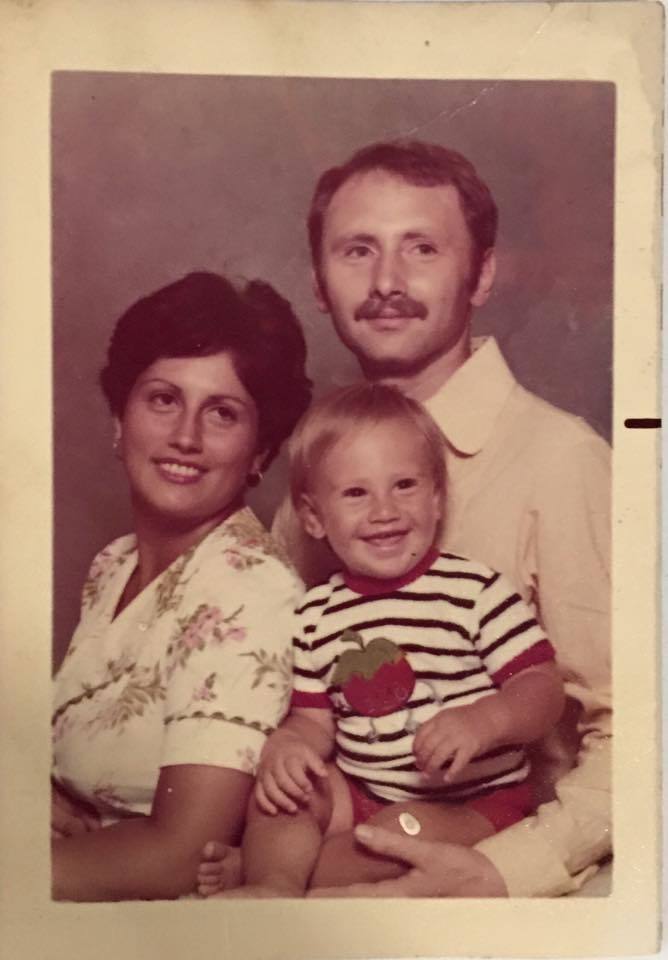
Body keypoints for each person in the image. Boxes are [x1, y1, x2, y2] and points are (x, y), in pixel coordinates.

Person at [200, 139, 610, 898]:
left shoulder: (562, 461)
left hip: (495, 868)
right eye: (357, 251)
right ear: (321, 282)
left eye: (421, 247)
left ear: (481, 272)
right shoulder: (315, 474)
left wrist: (502, 872)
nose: (386, 282)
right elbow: (266, 690)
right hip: (336, 849)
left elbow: (639, 731)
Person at [207, 383, 564, 897]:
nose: (384, 511)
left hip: (474, 804)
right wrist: (288, 747)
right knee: (284, 796)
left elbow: (541, 686)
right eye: (356, 493)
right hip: (361, 789)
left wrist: (485, 720)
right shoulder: (316, 615)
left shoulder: (473, 591)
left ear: (438, 498)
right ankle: (271, 884)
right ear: (313, 517)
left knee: (396, 835)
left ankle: (280, 872)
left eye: (404, 486)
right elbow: (313, 721)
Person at [51, 270, 312, 900]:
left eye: (222, 413)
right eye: (163, 399)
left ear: (260, 452)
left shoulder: (249, 588)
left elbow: (177, 856)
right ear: (120, 416)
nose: (186, 437)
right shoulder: (113, 566)